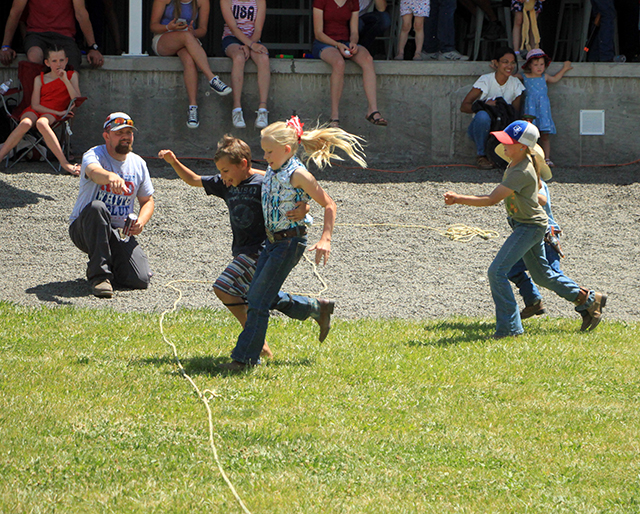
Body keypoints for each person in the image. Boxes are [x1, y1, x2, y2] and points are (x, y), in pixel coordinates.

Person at [219, 116, 367, 370]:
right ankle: (316, 308)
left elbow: (329, 204)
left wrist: (325, 238)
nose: (264, 156)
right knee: (257, 294)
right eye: (264, 151)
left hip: (289, 242)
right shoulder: (274, 168)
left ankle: (244, 359)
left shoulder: (299, 174)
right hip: (271, 242)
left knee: (257, 300)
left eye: (269, 151)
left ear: (286, 149)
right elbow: (260, 178)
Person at [159, 137, 320, 358]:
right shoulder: (225, 184)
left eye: (226, 171)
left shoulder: (264, 183)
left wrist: (305, 208)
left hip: (261, 250)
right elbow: (193, 179)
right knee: (260, 295)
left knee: (224, 287)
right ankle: (314, 308)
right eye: (220, 171)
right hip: (242, 251)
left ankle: (257, 344)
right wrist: (173, 162)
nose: (223, 176)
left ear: (243, 164)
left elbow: (293, 194)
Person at [444, 120, 607, 338]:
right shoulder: (519, 162)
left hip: (529, 227)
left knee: (497, 272)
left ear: (523, 147)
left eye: (508, 142)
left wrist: (458, 198)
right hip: (529, 225)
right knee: (543, 276)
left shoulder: (521, 169)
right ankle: (589, 300)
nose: (503, 145)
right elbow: (536, 190)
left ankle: (510, 328)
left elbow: (491, 199)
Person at [69, 112, 154, 298]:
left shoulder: (138, 163)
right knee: (97, 207)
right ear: (106, 136)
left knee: (139, 280)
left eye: (128, 133)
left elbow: (147, 201)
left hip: (118, 232)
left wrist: (141, 221)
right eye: (119, 133)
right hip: (85, 228)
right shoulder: (94, 155)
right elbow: (93, 173)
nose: (125, 137)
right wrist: (110, 176)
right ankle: (99, 277)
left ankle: (111, 263)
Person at [0, 46, 82, 176]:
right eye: (54, 61)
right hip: (38, 109)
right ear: (47, 63)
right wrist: (59, 113)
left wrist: (65, 80)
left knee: (42, 123)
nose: (58, 64)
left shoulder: (72, 76)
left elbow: (76, 99)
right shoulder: (40, 78)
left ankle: (64, 163)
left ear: (66, 61)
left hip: (53, 112)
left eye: (61, 60)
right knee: (25, 123)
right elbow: (35, 105)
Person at [150, 0, 232, 129]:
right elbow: (153, 26)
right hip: (164, 39)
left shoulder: (202, 1)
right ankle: (211, 78)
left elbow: (203, 30)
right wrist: (169, 27)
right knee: (186, 37)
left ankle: (193, 107)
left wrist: (193, 32)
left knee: (189, 59)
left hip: (187, 40)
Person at [312, 0, 388, 127]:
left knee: (367, 59)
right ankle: (334, 116)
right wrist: (337, 45)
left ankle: (373, 110)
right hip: (325, 43)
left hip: (345, 42)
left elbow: (354, 31)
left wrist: (353, 42)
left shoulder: (353, 2)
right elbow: (318, 33)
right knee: (339, 63)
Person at [507, 177, 562, 320]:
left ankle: (588, 299)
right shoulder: (516, 181)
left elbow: (542, 199)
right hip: (528, 235)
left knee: (552, 275)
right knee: (511, 268)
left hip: (545, 235)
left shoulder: (536, 181)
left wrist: (520, 192)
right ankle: (533, 301)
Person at [460, 46, 523, 170]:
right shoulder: (485, 80)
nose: (509, 66)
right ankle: (481, 155)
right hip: (481, 129)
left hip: (501, 130)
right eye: (505, 62)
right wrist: (484, 106)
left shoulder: (516, 84)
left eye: (512, 63)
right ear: (495, 63)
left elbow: (515, 115)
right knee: (482, 116)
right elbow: (464, 106)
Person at [0, 0, 104, 70]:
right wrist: (5, 46)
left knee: (71, 63)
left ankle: (69, 97)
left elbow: (81, 14)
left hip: (65, 36)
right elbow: (15, 12)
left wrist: (93, 47)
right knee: (34, 56)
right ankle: (34, 95)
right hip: (37, 34)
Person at [220, 0, 270, 129]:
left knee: (264, 58)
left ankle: (263, 109)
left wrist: (250, 45)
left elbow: (258, 29)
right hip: (232, 38)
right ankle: (237, 108)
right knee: (239, 57)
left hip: (253, 39)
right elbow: (233, 28)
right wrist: (250, 45)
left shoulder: (259, 1)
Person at [518, 48, 572, 166]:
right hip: (530, 109)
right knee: (530, 135)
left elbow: (555, 78)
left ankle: (546, 158)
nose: (539, 67)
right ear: (529, 65)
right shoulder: (524, 76)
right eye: (535, 64)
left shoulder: (545, 76)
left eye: (542, 64)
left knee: (545, 135)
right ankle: (529, 157)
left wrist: (564, 69)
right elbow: (510, 76)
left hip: (543, 110)